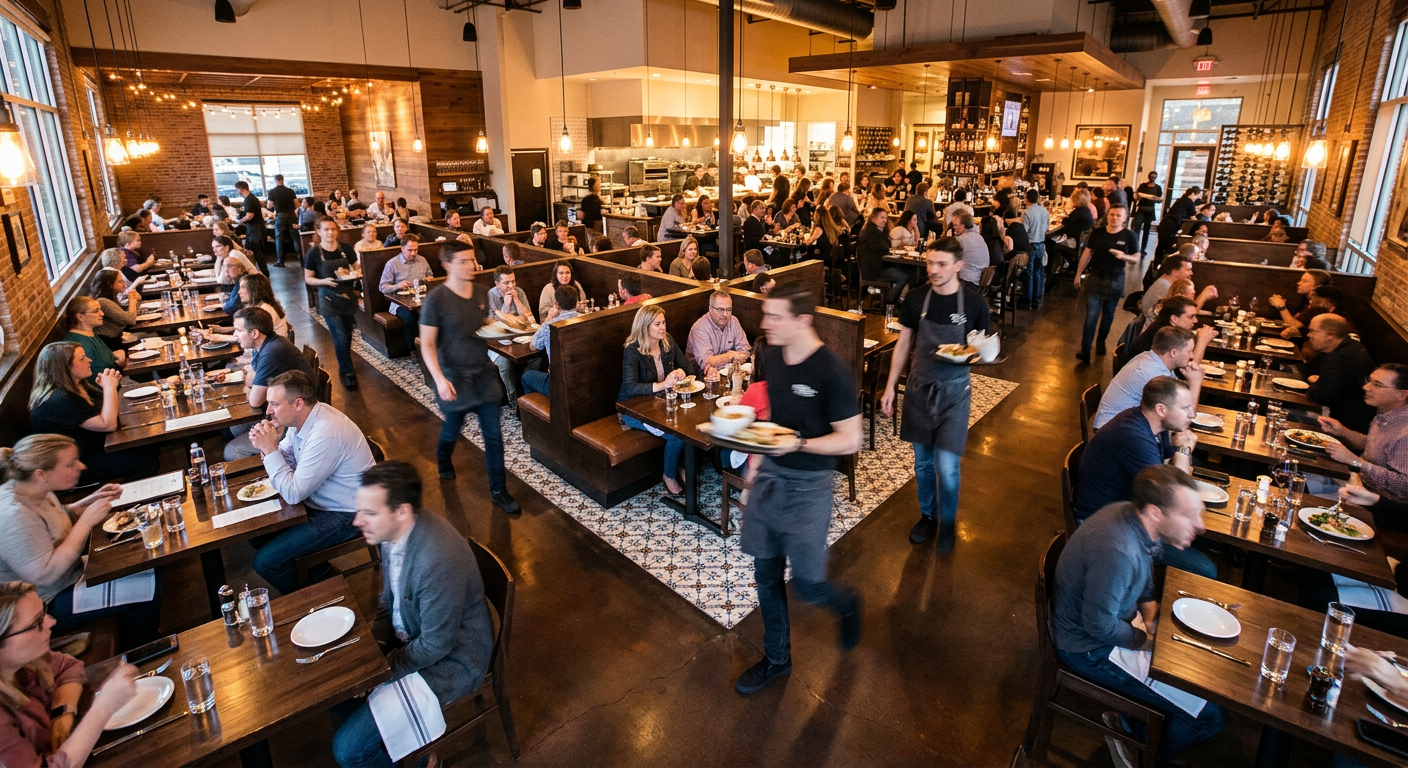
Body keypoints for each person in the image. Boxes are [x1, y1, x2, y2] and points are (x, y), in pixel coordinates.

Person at [736, 283, 863, 694]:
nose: (764, 323)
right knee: (765, 573)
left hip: (811, 486)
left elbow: (851, 439)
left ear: (802, 320)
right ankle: (777, 659)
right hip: (772, 476)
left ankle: (848, 606)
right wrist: (754, 471)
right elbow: (772, 420)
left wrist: (802, 444)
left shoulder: (832, 371)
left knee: (808, 584)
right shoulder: (771, 356)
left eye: (774, 316)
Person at [1053, 465, 1226, 767]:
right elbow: (1098, 626)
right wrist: (1147, 642)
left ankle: (1133, 724)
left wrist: (1150, 618)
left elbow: (1145, 576)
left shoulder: (1133, 516)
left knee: (1198, 669)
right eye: (1189, 515)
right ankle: (1140, 755)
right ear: (1157, 512)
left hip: (1115, 623)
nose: (1200, 526)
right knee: (1209, 716)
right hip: (1088, 648)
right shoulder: (1118, 550)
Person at [330, 461, 495, 768]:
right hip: (413, 641)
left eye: (369, 512)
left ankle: (422, 760)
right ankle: (399, 744)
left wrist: (382, 670)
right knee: (333, 687)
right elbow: (387, 599)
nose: (356, 521)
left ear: (402, 511)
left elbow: (436, 645)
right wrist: (375, 645)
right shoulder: (393, 532)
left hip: (454, 660)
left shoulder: (436, 560)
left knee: (348, 751)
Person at [0, 432, 162, 642]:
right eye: (70, 464)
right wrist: (87, 521)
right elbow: (47, 574)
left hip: (72, 573)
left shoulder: (33, 486)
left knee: (146, 561)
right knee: (149, 586)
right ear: (41, 473)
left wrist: (89, 501)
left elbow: (56, 519)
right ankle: (140, 651)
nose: (82, 467)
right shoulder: (14, 516)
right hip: (47, 603)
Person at [882, 238, 990, 546]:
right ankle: (928, 515)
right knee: (923, 464)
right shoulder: (916, 298)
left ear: (958, 265)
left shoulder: (973, 303)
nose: (933, 269)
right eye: (930, 263)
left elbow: (982, 349)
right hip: (919, 389)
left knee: (946, 465)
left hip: (955, 393)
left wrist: (969, 354)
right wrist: (890, 386)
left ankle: (949, 521)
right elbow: (904, 344)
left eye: (941, 264)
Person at [244, 371, 376, 594]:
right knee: (254, 530)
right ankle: (318, 573)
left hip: (348, 512)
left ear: (298, 403)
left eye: (274, 404)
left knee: (265, 562)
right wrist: (271, 448)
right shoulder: (302, 421)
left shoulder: (326, 432)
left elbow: (294, 493)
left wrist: (269, 449)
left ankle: (325, 593)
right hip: (320, 502)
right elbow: (285, 454)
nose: (267, 411)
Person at [418, 242, 520, 512]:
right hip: (454, 376)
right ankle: (443, 460)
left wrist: (499, 325)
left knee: (494, 436)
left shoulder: (481, 292)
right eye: (464, 261)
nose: (471, 266)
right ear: (447, 265)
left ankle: (499, 490)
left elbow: (479, 326)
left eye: (472, 260)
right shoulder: (436, 299)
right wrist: (440, 379)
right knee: (452, 429)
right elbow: (427, 343)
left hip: (483, 374)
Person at [0, 580, 144, 768]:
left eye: (43, 611)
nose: (51, 622)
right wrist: (104, 707)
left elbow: (68, 667)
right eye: (37, 623)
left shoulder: (28, 664)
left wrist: (61, 716)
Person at [27, 343, 147, 484]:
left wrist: (107, 389)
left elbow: (106, 411)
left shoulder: (77, 385)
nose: (89, 360)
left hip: (96, 448)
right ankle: (123, 498)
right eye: (82, 358)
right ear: (65, 368)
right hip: (75, 464)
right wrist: (109, 388)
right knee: (146, 462)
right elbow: (108, 425)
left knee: (149, 447)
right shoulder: (58, 398)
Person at [619, 305, 702, 496]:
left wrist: (684, 372)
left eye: (663, 322)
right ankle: (669, 475)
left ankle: (682, 465)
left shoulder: (667, 341)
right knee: (676, 433)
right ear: (644, 326)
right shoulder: (633, 350)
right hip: (634, 408)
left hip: (662, 403)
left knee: (690, 422)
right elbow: (630, 387)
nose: (662, 327)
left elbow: (687, 366)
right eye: (657, 324)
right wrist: (663, 384)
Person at [1317, 365, 1408, 530]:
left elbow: (1403, 485)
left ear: (1402, 394)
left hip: (1380, 511)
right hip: (1357, 485)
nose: (1366, 387)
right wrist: (1343, 431)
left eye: (1377, 385)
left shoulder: (1405, 433)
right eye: (1369, 381)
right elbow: (1373, 446)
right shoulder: (1386, 414)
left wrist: (1355, 461)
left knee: (1300, 492)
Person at [222, 307, 314, 460]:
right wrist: (250, 386)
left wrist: (250, 387)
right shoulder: (264, 346)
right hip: (278, 409)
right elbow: (249, 377)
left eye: (238, 330)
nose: (235, 335)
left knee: (232, 451)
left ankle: (267, 470)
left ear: (255, 333)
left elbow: (255, 400)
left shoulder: (272, 351)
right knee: (234, 427)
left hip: (295, 422)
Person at [1093, 327, 1203, 429]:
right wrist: (1195, 382)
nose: (1192, 356)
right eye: (1189, 351)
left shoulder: (1149, 358)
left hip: (1121, 426)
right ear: (1173, 352)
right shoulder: (1154, 373)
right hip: (1113, 431)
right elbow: (1184, 417)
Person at [1074, 205, 1140, 363]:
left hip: (1115, 279)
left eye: (1118, 215)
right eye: (1112, 214)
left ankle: (1101, 341)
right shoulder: (1097, 233)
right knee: (1091, 316)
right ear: (1107, 216)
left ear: (1124, 218)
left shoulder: (1129, 235)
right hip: (1095, 277)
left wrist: (1124, 256)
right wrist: (1078, 274)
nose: (1114, 218)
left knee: (1108, 316)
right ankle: (1085, 350)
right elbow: (1087, 253)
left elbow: (1136, 258)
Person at [304, 216, 361, 388]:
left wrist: (354, 273)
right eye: (326, 229)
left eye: (333, 229)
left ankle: (344, 364)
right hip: (327, 297)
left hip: (347, 297)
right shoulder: (314, 253)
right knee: (340, 335)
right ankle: (348, 370)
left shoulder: (345, 249)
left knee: (348, 334)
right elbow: (308, 278)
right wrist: (324, 281)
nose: (330, 232)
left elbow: (356, 267)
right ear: (319, 232)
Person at [1304, 314, 1377, 433]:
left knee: (1279, 413)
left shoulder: (1343, 357)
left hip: (1344, 428)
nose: (1308, 335)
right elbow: (1308, 370)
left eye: (1312, 331)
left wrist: (1316, 384)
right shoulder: (1345, 348)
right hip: (1338, 419)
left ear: (1330, 335)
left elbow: (1320, 395)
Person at [377, 234, 434, 353]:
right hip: (399, 303)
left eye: (415, 250)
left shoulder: (422, 260)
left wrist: (429, 279)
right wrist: (398, 286)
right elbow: (382, 287)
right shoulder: (392, 264)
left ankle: (433, 348)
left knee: (435, 314)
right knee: (410, 318)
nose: (413, 253)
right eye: (410, 250)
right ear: (402, 248)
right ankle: (413, 350)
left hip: (421, 299)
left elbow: (430, 275)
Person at [522, 284, 580, 398]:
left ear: (557, 305)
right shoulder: (586, 318)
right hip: (583, 377)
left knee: (526, 376)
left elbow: (533, 346)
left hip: (559, 383)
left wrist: (548, 318)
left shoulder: (549, 325)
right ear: (576, 302)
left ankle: (542, 412)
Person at [488, 266, 536, 402]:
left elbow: (528, 317)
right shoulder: (490, 295)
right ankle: (513, 398)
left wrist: (516, 300)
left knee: (536, 355)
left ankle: (526, 388)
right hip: (497, 343)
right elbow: (493, 327)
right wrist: (506, 306)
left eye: (513, 281)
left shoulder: (519, 291)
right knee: (505, 363)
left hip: (520, 338)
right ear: (497, 284)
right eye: (506, 283)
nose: (511, 286)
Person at [687, 291, 751, 370]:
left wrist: (721, 360)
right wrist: (730, 356)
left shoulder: (733, 321)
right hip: (701, 375)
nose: (725, 314)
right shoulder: (699, 328)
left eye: (729, 310)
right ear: (710, 309)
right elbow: (707, 363)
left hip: (730, 371)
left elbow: (745, 351)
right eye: (720, 310)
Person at [858, 207, 909, 305]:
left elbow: (887, 244)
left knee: (904, 271)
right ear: (874, 218)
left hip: (876, 267)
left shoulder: (874, 229)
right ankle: (890, 301)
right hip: (873, 271)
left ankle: (889, 299)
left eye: (886, 218)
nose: (885, 220)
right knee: (904, 275)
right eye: (882, 218)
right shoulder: (870, 232)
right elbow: (885, 246)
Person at [61, 298, 123, 377]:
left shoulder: (89, 334)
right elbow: (94, 377)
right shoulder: (81, 343)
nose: (102, 314)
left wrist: (117, 356)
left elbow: (104, 360)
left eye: (100, 309)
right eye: (96, 311)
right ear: (80, 317)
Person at [1129, 295, 1201, 358]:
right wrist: (1202, 342)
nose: (1196, 320)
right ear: (1174, 319)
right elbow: (1186, 371)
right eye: (1191, 317)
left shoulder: (1162, 325)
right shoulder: (1167, 335)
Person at [1268, 268, 1333, 336]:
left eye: (1305, 281)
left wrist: (1281, 306)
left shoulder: (1319, 307)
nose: (1298, 283)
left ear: (1317, 287)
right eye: (1300, 280)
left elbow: (1295, 325)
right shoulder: (1306, 301)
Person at [87, 269, 140, 352]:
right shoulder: (103, 302)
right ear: (110, 284)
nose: (124, 284)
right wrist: (132, 300)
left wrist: (136, 301)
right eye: (120, 281)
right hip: (109, 345)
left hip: (117, 339)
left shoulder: (112, 297)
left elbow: (130, 315)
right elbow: (131, 320)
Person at [1154, 186, 1202, 261]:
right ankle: (1163, 263)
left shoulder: (1181, 200)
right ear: (1193, 194)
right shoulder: (1189, 201)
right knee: (1167, 246)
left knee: (1161, 245)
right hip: (1171, 226)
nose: (1196, 198)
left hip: (1165, 224)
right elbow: (1193, 216)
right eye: (1197, 196)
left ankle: (1157, 264)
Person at [1021, 189, 1051, 308]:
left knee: (1029, 273)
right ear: (1038, 198)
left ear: (1026, 199)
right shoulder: (1044, 211)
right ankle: (1037, 300)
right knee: (1039, 272)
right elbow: (1046, 228)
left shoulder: (1027, 212)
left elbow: (1024, 231)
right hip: (1041, 244)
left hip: (1031, 245)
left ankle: (1027, 300)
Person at [238, 272, 290, 338]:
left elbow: (251, 337)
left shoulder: (264, 309)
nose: (239, 292)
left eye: (243, 287)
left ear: (254, 289)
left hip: (272, 347)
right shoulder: (256, 306)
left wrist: (222, 337)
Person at [234, 180, 268, 275]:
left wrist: (240, 221)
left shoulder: (249, 200)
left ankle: (264, 273)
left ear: (241, 189)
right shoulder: (251, 199)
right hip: (256, 228)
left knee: (257, 252)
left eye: (237, 189)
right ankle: (261, 272)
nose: (237, 191)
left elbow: (250, 215)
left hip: (255, 229)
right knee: (256, 251)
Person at [950, 211, 989, 289]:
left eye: (956, 225)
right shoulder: (979, 237)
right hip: (980, 282)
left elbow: (947, 255)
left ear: (963, 226)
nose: (954, 227)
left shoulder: (962, 239)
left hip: (968, 283)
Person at [267, 174, 298, 268]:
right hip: (291, 215)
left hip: (280, 216)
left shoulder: (272, 192)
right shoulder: (290, 191)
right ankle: (302, 260)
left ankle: (281, 261)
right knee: (295, 237)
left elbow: (269, 206)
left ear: (276, 180)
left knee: (279, 239)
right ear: (283, 180)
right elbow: (296, 204)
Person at [1130, 173, 1162, 254]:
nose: (1152, 178)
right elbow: (1137, 196)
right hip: (1141, 209)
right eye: (1151, 177)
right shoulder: (1143, 186)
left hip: (1150, 210)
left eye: (1154, 177)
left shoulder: (1158, 188)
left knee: (1146, 230)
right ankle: (1134, 247)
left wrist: (1156, 199)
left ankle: (1143, 249)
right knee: (1136, 228)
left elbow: (1159, 199)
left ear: (1156, 178)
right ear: (1148, 177)